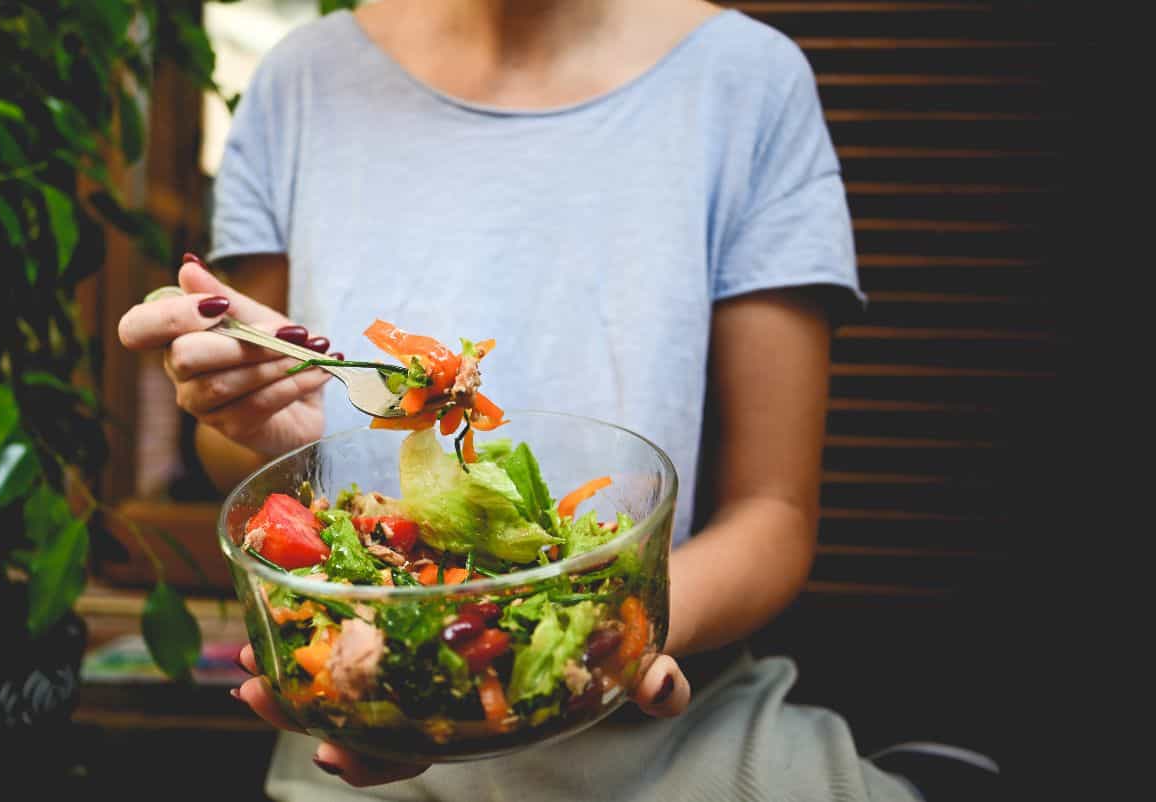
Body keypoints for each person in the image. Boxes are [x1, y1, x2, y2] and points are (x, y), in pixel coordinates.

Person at [118, 1, 978, 799]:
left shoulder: (748, 80)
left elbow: (774, 513)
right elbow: (249, 455)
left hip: (670, 714)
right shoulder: (300, 78)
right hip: (362, 699)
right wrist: (256, 420)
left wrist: (606, 634)